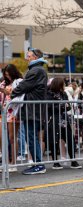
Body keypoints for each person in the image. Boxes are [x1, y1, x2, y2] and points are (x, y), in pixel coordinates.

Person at [11, 47, 47, 175]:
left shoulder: (36, 70)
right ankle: (38, 163)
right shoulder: (37, 69)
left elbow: (24, 85)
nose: (27, 58)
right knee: (31, 137)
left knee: (31, 137)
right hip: (33, 109)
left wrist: (11, 93)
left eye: (30, 56)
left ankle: (39, 164)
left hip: (33, 109)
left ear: (36, 57)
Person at [44, 77, 81, 169]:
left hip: (64, 119)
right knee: (54, 141)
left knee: (70, 139)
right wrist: (61, 106)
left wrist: (62, 106)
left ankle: (73, 160)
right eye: (62, 84)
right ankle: (55, 162)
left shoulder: (63, 93)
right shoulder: (48, 94)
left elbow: (68, 106)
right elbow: (49, 106)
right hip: (53, 119)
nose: (64, 86)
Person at [0, 64, 23, 171]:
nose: (7, 76)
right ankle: (6, 162)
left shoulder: (18, 81)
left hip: (14, 111)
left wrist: (4, 91)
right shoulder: (4, 82)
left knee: (12, 137)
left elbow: (16, 93)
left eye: (9, 74)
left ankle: (13, 163)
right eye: (5, 75)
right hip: (4, 111)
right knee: (3, 138)